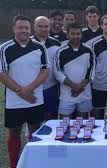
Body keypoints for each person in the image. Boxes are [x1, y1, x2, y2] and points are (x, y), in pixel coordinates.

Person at [0, 15, 49, 168]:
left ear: (30, 29)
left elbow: (45, 71)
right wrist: (20, 91)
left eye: (26, 28)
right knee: (14, 132)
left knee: (35, 130)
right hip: (14, 101)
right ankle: (14, 164)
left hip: (35, 98)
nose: (24, 30)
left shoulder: (40, 47)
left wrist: (28, 90)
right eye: (20, 27)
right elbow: (2, 73)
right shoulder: (5, 48)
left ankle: (34, 162)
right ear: (13, 28)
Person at [54, 23, 95, 119]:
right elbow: (58, 72)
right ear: (67, 35)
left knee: (83, 126)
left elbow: (92, 71)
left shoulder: (88, 50)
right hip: (67, 96)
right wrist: (75, 87)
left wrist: (80, 87)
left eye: (78, 34)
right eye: (72, 34)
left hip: (84, 94)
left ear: (81, 35)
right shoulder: (60, 51)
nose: (76, 36)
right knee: (64, 126)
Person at [31, 16, 61, 120]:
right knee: (33, 119)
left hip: (51, 87)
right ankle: (30, 136)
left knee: (50, 117)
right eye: (40, 26)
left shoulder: (57, 44)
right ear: (34, 27)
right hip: (32, 88)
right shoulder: (28, 43)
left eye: (46, 26)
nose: (44, 29)